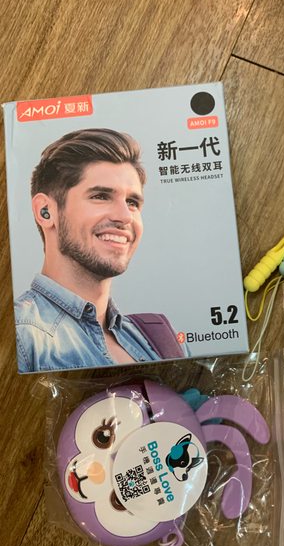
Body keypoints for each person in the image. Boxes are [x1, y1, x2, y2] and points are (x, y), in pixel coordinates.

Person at [15, 128, 184, 373]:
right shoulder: (22, 335)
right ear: (46, 211)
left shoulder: (159, 337)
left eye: (132, 202)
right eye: (101, 196)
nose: (125, 216)